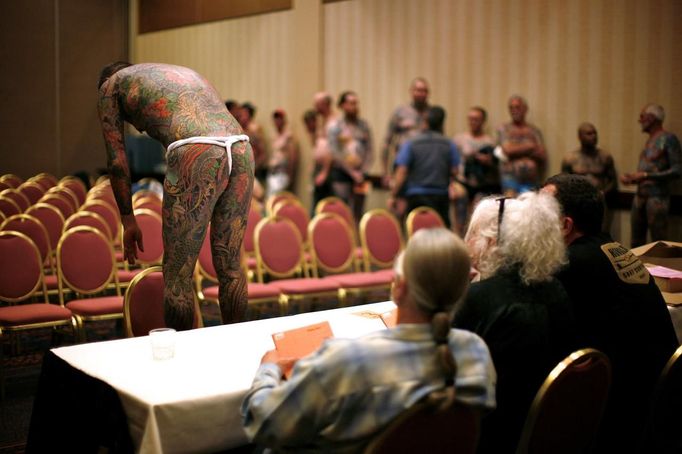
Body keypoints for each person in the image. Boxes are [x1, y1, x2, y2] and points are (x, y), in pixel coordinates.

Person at [241, 228, 496, 452]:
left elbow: (266, 424)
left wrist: (268, 368)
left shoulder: (346, 362)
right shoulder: (476, 352)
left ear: (399, 288)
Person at [97, 62, 254, 329]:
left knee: (178, 273)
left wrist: (128, 219)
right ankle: (238, 346)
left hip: (197, 149)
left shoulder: (110, 86)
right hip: (241, 146)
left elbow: (117, 162)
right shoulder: (165, 72)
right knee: (230, 268)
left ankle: (179, 359)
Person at [542, 173, 679, 452]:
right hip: (663, 404)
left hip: (624, 420)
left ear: (565, 226)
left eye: (539, 213)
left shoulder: (571, 264)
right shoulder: (614, 248)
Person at [453, 192, 576, 454]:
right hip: (550, 429)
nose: (467, 244)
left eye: (473, 235)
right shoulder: (556, 288)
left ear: (492, 243)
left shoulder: (478, 297)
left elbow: (445, 368)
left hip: (492, 433)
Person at [620, 104, 681, 246]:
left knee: (658, 242)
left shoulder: (668, 139)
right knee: (636, 242)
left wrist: (646, 175)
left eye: (642, 116)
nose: (639, 120)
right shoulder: (649, 140)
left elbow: (678, 170)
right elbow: (649, 169)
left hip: (657, 198)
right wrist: (633, 178)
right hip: (640, 197)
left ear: (652, 118)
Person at [390, 106, 460, 228]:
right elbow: (455, 171)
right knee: (440, 236)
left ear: (425, 122)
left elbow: (402, 171)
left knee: (418, 235)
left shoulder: (411, 143)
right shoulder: (449, 144)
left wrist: (394, 195)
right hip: (441, 196)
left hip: (416, 196)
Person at [382, 78, 431, 218]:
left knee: (421, 212)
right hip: (402, 167)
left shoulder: (432, 113)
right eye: (418, 90)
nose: (421, 93)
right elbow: (387, 142)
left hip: (424, 170)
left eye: (424, 91)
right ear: (411, 91)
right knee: (398, 210)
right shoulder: (400, 112)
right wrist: (386, 172)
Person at [561, 122, 618, 232]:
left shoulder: (605, 157)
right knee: (577, 234)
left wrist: (603, 193)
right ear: (580, 137)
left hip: (599, 202)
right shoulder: (570, 158)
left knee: (599, 234)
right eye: (589, 134)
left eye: (595, 133)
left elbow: (613, 181)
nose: (594, 136)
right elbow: (564, 183)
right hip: (577, 202)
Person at [327, 91, 374, 223]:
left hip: (361, 174)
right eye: (351, 103)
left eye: (356, 103)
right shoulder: (335, 126)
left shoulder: (364, 125)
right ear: (342, 105)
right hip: (341, 173)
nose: (355, 106)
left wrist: (363, 170)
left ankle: (358, 239)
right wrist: (352, 172)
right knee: (342, 210)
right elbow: (335, 152)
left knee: (359, 212)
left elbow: (370, 150)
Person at [453, 106, 498, 231]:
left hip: (482, 183)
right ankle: (459, 236)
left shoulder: (490, 141)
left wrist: (487, 161)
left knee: (478, 209)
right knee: (460, 201)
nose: (473, 122)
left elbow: (496, 166)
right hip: (462, 181)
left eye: (476, 119)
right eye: (470, 119)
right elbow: (451, 163)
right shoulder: (459, 139)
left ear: (483, 121)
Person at [496, 95, 547, 195]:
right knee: (511, 208)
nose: (514, 110)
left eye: (517, 107)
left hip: (531, 181)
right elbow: (507, 151)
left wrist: (516, 149)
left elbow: (542, 155)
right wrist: (531, 146)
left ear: (525, 109)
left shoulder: (534, 130)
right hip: (510, 180)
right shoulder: (504, 129)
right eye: (511, 108)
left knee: (528, 209)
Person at [266, 109, 298, 198]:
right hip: (272, 172)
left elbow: (293, 156)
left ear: (284, 120)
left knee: (276, 198)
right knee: (270, 199)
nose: (277, 121)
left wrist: (290, 175)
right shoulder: (274, 135)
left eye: (279, 118)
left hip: (282, 172)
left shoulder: (288, 136)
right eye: (275, 119)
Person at [241, 101, 268, 187]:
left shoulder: (254, 129)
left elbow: (262, 152)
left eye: (244, 114)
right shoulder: (240, 128)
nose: (242, 117)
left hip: (254, 168)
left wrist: (255, 168)